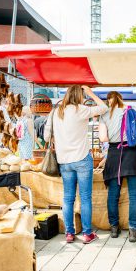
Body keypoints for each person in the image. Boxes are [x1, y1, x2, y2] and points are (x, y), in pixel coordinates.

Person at [44, 85, 107, 244]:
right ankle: (87, 234)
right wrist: (91, 92)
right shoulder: (81, 109)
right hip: (82, 159)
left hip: (64, 160)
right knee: (85, 198)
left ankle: (69, 233)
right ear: (79, 95)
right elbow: (104, 107)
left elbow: (46, 137)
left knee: (68, 198)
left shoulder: (57, 111)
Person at [99, 91, 136, 243]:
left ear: (109, 101)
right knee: (134, 195)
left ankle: (114, 228)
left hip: (115, 155)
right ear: (121, 99)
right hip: (134, 155)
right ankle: (133, 230)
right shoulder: (134, 110)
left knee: (113, 194)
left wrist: (114, 136)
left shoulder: (105, 114)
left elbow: (103, 138)